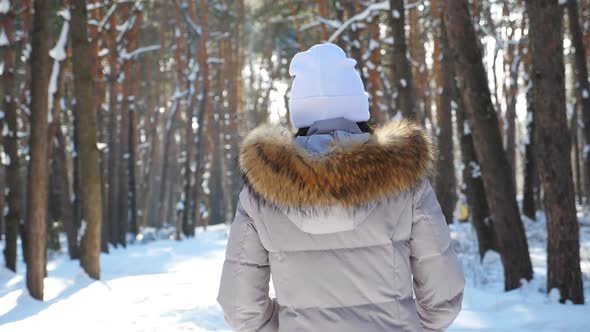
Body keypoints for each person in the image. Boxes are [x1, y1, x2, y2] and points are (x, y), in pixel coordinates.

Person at [217, 43, 465, 332]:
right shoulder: (404, 180)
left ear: (300, 111)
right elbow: (442, 300)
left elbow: (240, 310)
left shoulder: (262, 191)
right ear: (358, 105)